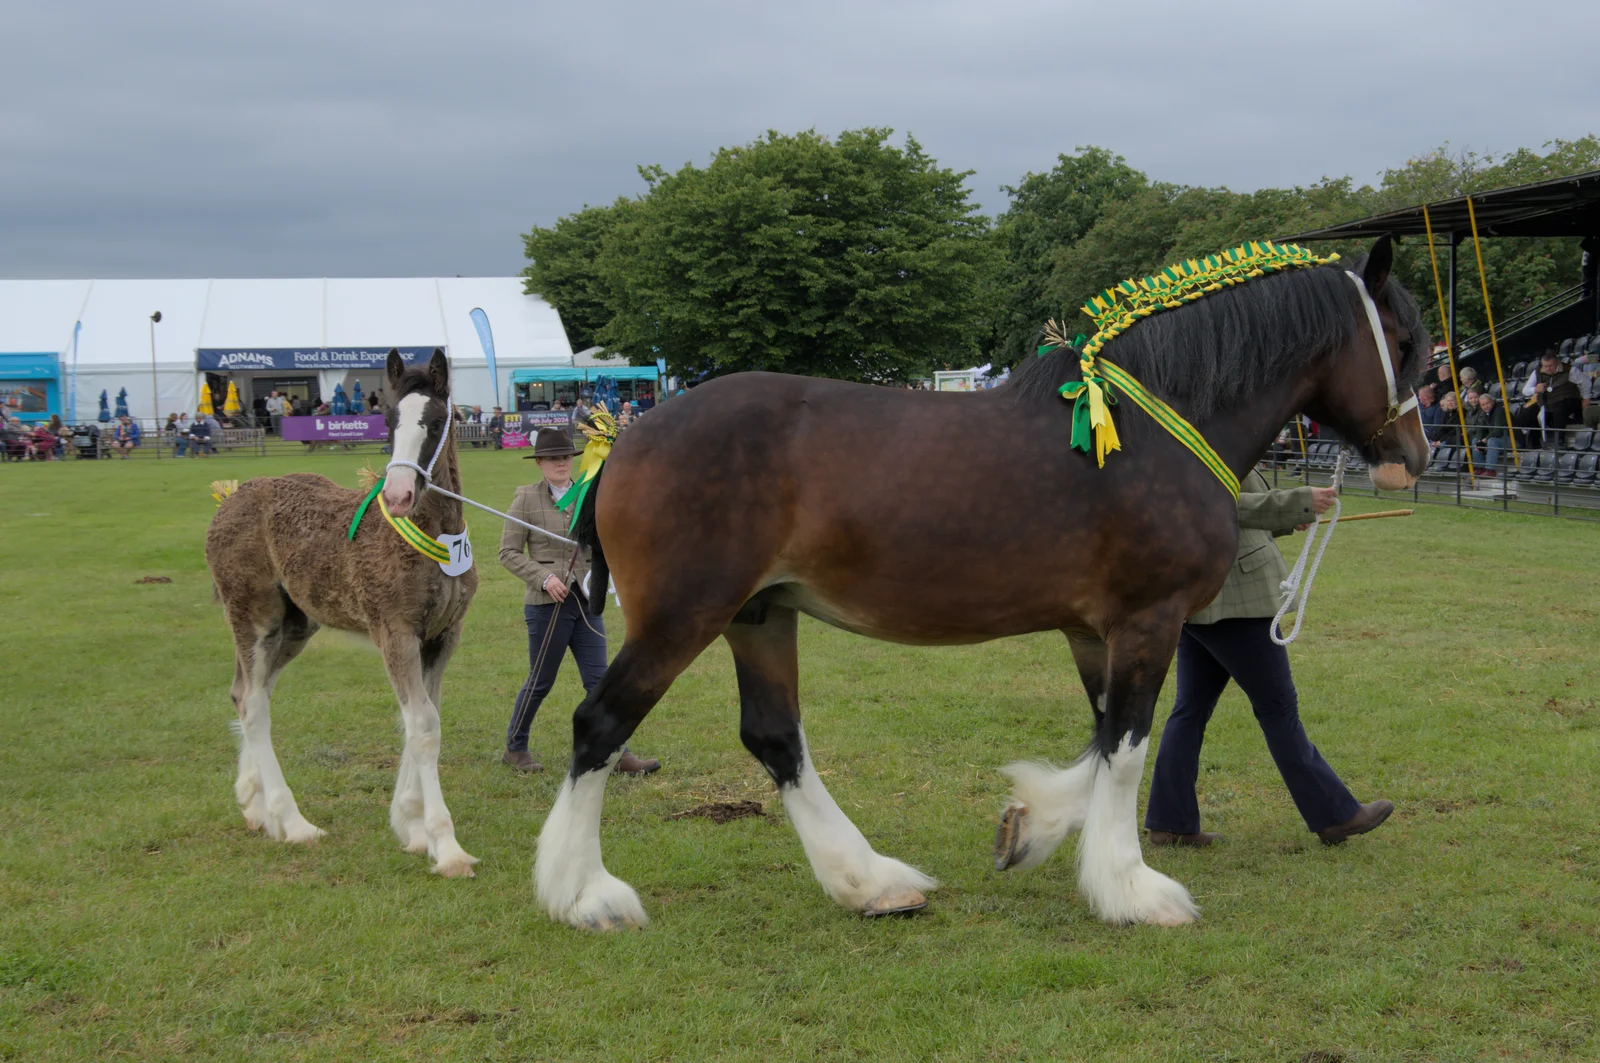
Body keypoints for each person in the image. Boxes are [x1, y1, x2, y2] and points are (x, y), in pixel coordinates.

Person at [1145, 471, 1393, 848]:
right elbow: (1216, 505)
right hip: (1233, 602)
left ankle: (1170, 822)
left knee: (1190, 710)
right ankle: (1335, 816)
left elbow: (1234, 517)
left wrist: (1285, 519)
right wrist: (1297, 502)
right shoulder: (1207, 436)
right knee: (1278, 709)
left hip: (1204, 598)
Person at [498, 427, 660, 777]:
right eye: (552, 458)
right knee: (541, 680)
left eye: (565, 457)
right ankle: (515, 746)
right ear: (539, 462)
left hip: (586, 602)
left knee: (600, 681)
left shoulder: (589, 493)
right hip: (547, 606)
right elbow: (507, 552)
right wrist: (544, 578)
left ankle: (617, 753)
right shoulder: (526, 498)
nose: (560, 463)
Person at [1514, 349, 1584, 447]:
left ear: (1556, 363)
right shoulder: (1537, 372)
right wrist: (1535, 389)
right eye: (1545, 366)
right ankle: (1534, 442)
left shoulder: (1569, 370)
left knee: (1559, 410)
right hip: (1546, 401)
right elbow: (1525, 390)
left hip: (1567, 398)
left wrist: (1586, 398)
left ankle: (1559, 440)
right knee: (1527, 414)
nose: (1548, 369)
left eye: (1551, 366)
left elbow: (1584, 383)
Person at [1467, 391, 1510, 474]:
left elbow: (1498, 430)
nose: (1485, 406)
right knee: (1475, 440)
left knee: (1492, 441)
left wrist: (1485, 439)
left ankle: (1490, 470)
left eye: (1487, 403)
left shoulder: (1500, 410)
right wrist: (1480, 440)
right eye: (1483, 405)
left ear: (1492, 402)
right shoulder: (1484, 413)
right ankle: (1480, 467)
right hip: (1498, 438)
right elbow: (1481, 429)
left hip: (1511, 438)